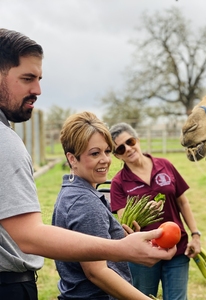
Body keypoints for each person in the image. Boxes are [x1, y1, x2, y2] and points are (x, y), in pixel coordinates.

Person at [0, 28, 176, 300]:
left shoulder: (79, 192)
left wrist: (119, 235)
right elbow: (30, 237)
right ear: (72, 158)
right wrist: (124, 249)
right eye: (27, 78)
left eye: (107, 151)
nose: (38, 89)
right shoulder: (7, 143)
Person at [52, 111, 155, 300]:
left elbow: (89, 249)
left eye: (107, 151)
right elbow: (97, 272)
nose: (105, 160)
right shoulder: (84, 202)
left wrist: (119, 242)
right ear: (72, 158)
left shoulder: (70, 191)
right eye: (94, 153)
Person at [109, 122, 201, 300]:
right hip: (143, 253)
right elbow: (126, 225)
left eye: (130, 141)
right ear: (117, 156)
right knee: (144, 297)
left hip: (177, 247)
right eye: (120, 149)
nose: (128, 149)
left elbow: (183, 203)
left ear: (138, 140)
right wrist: (143, 212)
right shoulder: (118, 182)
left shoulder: (165, 165)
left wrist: (195, 235)